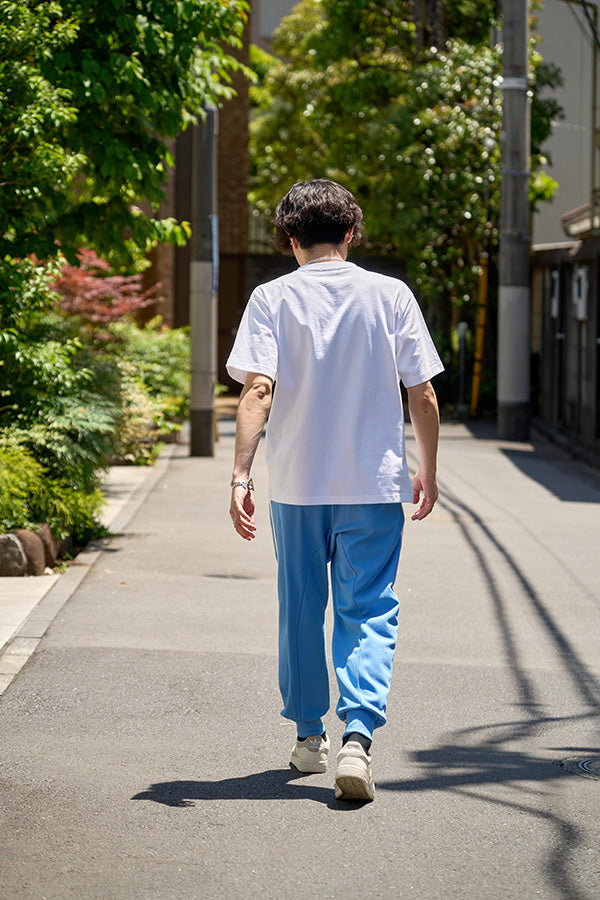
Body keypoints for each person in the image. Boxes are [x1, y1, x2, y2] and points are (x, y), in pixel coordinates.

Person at [226, 179, 443, 802]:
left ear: (290, 238)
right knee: (370, 607)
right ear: (350, 234)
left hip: (297, 483)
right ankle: (357, 738)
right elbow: (421, 392)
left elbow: (257, 390)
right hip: (373, 485)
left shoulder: (271, 298)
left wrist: (240, 474)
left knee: (300, 606)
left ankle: (306, 737)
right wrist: (426, 468)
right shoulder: (391, 294)